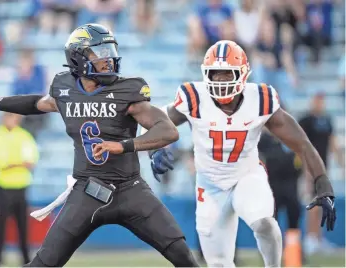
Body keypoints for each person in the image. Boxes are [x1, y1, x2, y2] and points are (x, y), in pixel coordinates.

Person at [0, 24, 199, 267]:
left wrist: (125, 145)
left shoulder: (127, 90)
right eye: (100, 52)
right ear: (78, 57)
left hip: (130, 189)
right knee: (43, 263)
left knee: (182, 254)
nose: (109, 58)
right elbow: (37, 104)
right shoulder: (66, 89)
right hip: (87, 190)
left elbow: (167, 129)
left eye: (110, 50)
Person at [145, 40, 337, 267]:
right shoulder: (194, 97)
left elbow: (302, 143)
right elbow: (152, 118)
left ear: (243, 74)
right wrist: (154, 149)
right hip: (209, 185)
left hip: (246, 176)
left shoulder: (260, 99)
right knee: (218, 263)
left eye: (228, 74)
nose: (220, 80)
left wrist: (322, 182)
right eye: (215, 74)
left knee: (264, 222)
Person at [0, 112, 39, 267]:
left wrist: (13, 164)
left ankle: (26, 260)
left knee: (23, 226)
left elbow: (31, 160)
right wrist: (19, 164)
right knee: (1, 226)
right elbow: (0, 163)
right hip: (3, 186)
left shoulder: (24, 135)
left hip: (21, 186)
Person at [298, 92, 344, 255]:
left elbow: (332, 142)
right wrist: (306, 171)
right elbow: (302, 147)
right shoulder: (306, 121)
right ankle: (310, 238)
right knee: (313, 204)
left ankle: (318, 238)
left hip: (324, 168)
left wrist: (341, 163)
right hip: (312, 167)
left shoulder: (326, 120)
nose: (320, 104)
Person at [258, 127, 303, 267]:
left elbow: (299, 164)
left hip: (291, 189)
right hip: (272, 189)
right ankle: (271, 258)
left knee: (293, 226)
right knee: (271, 227)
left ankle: (293, 258)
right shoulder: (263, 141)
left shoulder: (291, 141)